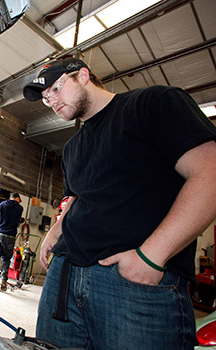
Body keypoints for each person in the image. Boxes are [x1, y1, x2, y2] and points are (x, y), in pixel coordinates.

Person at [23, 57, 216, 349]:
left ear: (83, 76)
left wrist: (152, 257)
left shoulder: (151, 104)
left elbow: (210, 172)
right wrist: (57, 229)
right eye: (46, 98)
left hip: (129, 282)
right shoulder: (73, 147)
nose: (52, 101)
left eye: (56, 88)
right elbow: (80, 197)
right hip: (63, 279)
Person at [0, 192, 23, 291]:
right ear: (17, 198)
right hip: (11, 236)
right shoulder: (20, 208)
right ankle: (3, 282)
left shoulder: (2, 205)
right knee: (6, 260)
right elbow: (17, 221)